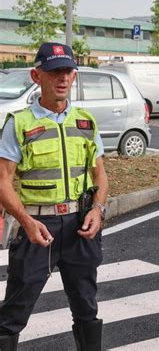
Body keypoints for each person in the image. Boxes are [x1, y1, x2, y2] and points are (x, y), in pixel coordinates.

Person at [0, 42, 108, 350]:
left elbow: (100, 173)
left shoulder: (86, 121)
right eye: (54, 72)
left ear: (74, 76)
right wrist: (26, 221)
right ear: (37, 76)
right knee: (13, 314)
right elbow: (3, 180)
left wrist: (97, 209)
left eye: (68, 71)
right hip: (38, 229)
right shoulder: (19, 123)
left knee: (87, 309)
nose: (62, 78)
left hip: (78, 226)